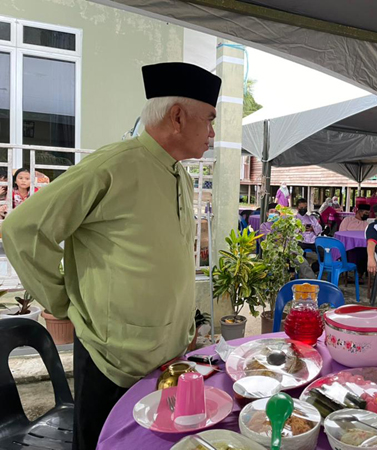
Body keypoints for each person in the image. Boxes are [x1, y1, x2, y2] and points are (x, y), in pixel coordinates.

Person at [2, 62, 222, 449]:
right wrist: (61, 300)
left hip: (166, 358)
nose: (213, 133)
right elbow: (24, 229)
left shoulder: (180, 177)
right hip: (112, 359)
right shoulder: (112, 166)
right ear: (177, 117)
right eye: (209, 119)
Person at [339, 204, 371, 280]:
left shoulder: (367, 224)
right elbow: (341, 234)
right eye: (366, 213)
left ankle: (359, 274)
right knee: (355, 251)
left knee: (366, 251)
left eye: (368, 213)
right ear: (359, 212)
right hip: (347, 247)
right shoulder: (348, 220)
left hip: (362, 247)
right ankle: (353, 273)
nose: (367, 215)